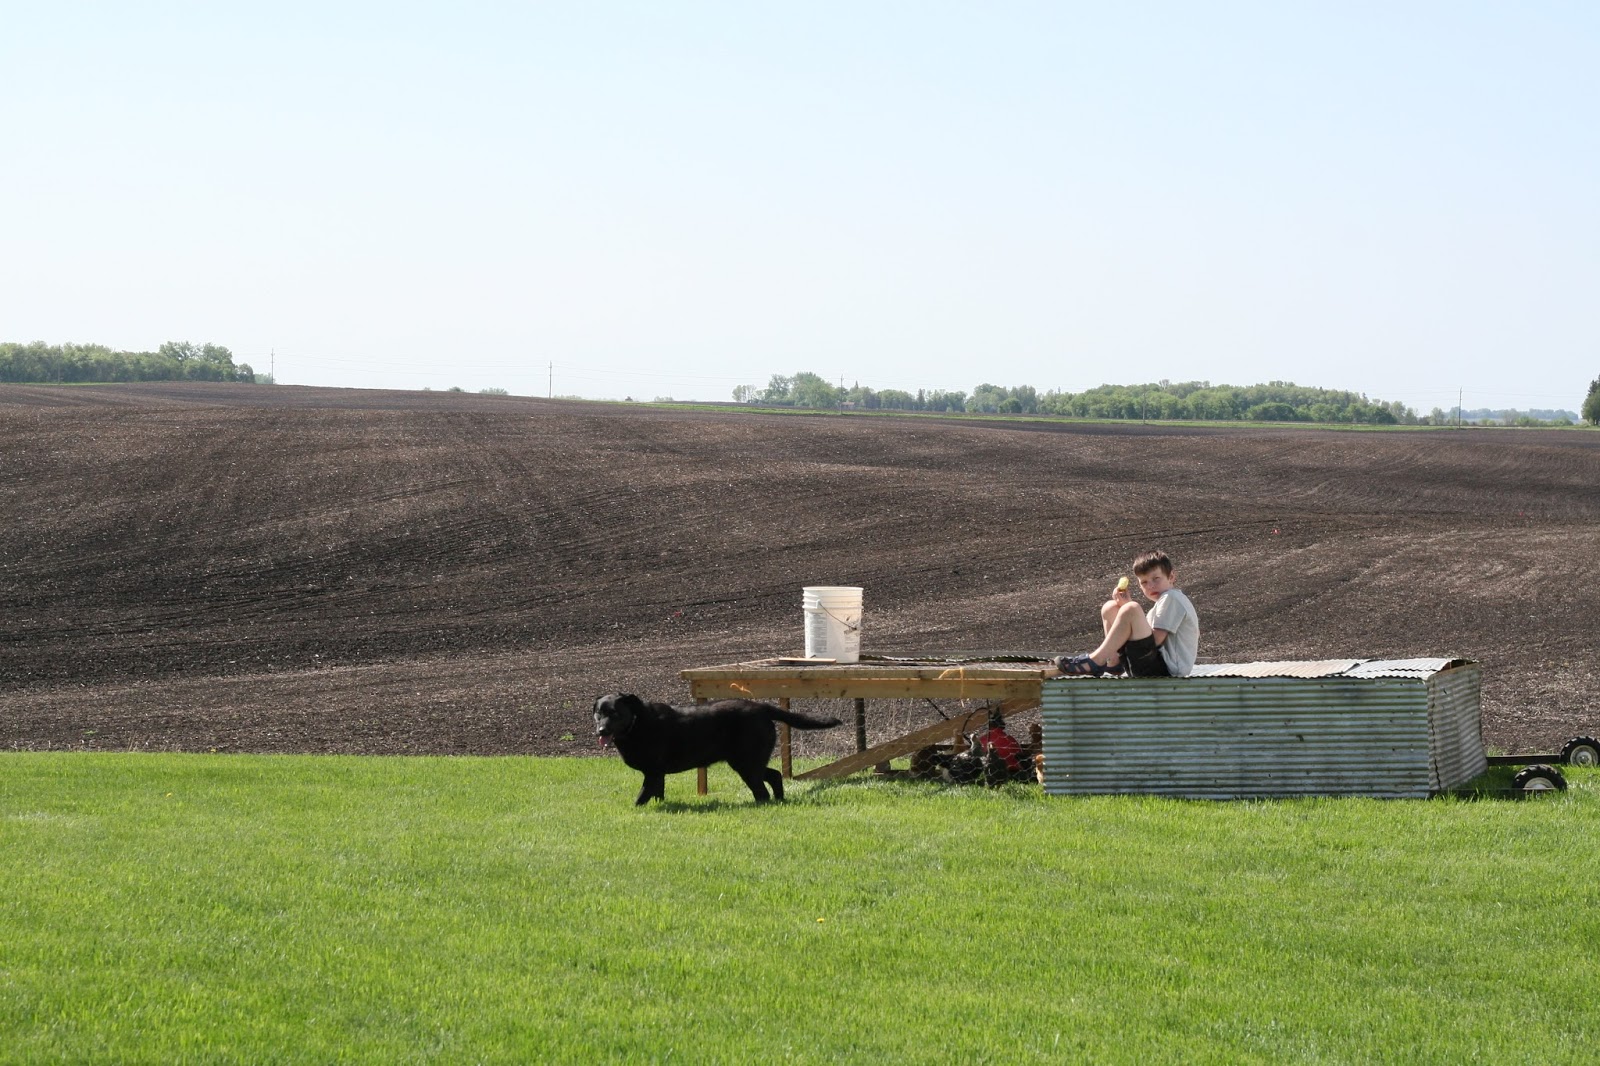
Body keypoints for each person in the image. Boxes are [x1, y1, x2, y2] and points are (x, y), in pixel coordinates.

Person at [1055, 550, 1199, 678]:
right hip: (1149, 665)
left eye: (1156, 579)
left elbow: (1155, 640)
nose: (1150, 586)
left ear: (1171, 576)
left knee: (1131, 608)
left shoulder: (1172, 598)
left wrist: (1128, 609)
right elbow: (1144, 639)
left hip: (1167, 671)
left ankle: (1096, 661)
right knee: (1110, 607)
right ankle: (1113, 661)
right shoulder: (1161, 604)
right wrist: (1126, 608)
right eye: (1144, 582)